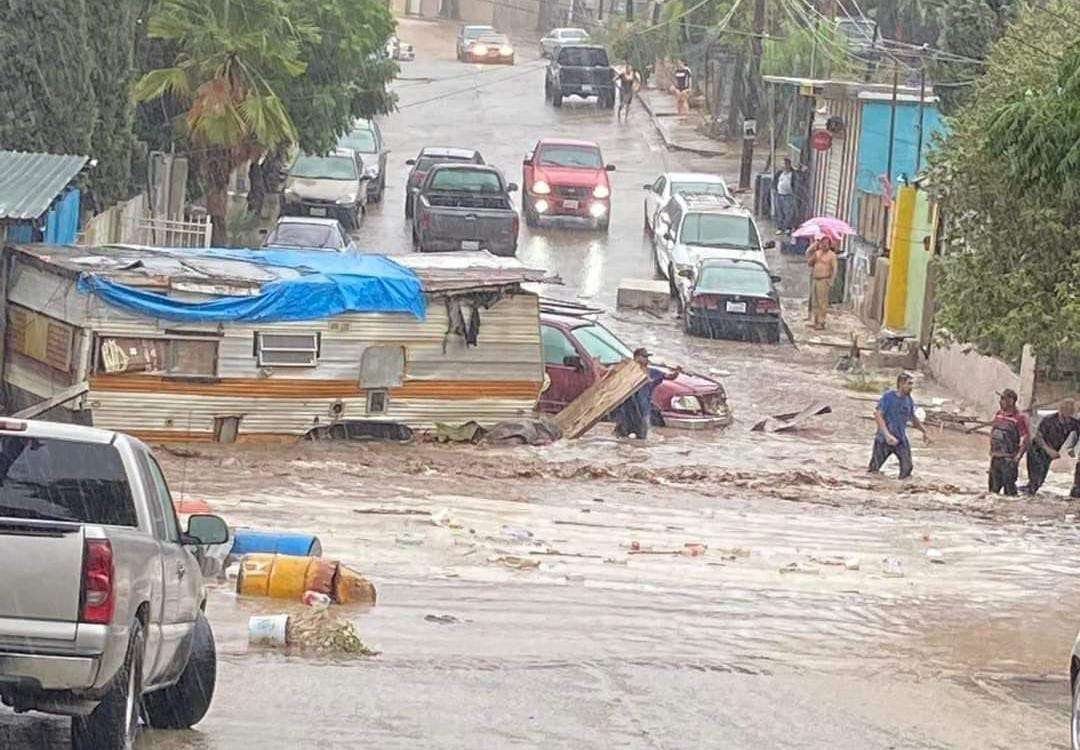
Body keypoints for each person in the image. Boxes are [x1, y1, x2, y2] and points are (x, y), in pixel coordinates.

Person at [869, 372, 931, 479]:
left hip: (900, 440)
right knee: (874, 469)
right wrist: (887, 435)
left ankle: (901, 490)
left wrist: (924, 431)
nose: (911, 387)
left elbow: (912, 418)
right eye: (909, 384)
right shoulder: (888, 397)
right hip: (883, 440)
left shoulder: (908, 400)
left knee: (907, 468)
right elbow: (878, 415)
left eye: (912, 384)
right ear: (901, 384)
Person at [612, 348, 679, 439]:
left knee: (642, 438)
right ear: (636, 358)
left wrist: (677, 372)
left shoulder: (653, 372)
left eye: (647, 357)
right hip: (627, 411)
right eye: (644, 357)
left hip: (643, 411)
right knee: (621, 437)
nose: (647, 359)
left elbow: (669, 376)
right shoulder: (627, 372)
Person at [1022, 398, 1079, 496]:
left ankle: (1024, 494)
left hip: (1049, 454)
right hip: (1036, 450)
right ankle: (1022, 496)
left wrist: (1071, 448)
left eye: (1071, 411)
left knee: (1040, 480)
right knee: (1036, 479)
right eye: (1066, 410)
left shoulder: (1074, 423)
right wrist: (1048, 450)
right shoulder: (1049, 419)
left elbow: (1077, 434)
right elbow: (1038, 437)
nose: (1068, 413)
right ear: (1060, 409)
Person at [988, 389, 1030, 496]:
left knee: (1009, 491)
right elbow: (993, 430)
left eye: (1003, 399)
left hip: (1008, 459)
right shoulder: (999, 414)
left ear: (1011, 401)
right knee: (993, 491)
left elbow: (1025, 438)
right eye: (1001, 398)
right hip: (996, 457)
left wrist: (1018, 457)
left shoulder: (1019, 418)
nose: (1000, 401)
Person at [805, 237, 837, 330]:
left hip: (824, 280)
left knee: (822, 302)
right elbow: (809, 261)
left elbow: (834, 269)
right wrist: (813, 247)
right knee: (814, 302)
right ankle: (815, 321)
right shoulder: (817, 253)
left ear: (829, 244)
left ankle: (821, 321)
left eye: (826, 243)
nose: (824, 245)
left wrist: (832, 280)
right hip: (815, 279)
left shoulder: (832, 255)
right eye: (823, 243)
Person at [773, 158, 796, 234]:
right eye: (783, 164)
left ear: (789, 164)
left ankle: (788, 228)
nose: (784, 166)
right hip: (779, 195)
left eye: (786, 164)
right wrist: (774, 190)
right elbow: (774, 182)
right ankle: (780, 228)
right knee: (779, 212)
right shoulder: (779, 173)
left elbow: (796, 183)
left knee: (788, 213)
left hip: (788, 196)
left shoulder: (793, 174)